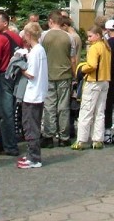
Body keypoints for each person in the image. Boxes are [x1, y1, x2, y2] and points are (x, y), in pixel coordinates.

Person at [0, 12, 23, 157]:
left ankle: (10, 146)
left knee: (5, 113)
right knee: (10, 110)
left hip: (3, 77)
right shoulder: (17, 38)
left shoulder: (0, 40)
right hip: (15, 76)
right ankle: (1, 142)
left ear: (5, 23)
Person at [71, 26, 111, 150]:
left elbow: (92, 65)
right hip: (105, 81)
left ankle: (81, 140)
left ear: (98, 35)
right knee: (99, 112)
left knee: (86, 111)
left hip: (93, 81)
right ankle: (98, 140)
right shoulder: (106, 47)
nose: (88, 39)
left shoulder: (95, 48)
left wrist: (82, 68)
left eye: (90, 36)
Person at [40, 11, 76, 148]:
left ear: (50, 21)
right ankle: (64, 137)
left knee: (49, 106)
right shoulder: (69, 37)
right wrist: (74, 74)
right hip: (64, 75)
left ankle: (48, 136)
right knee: (63, 107)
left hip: (48, 75)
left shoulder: (44, 36)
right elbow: (72, 59)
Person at [18, 22, 47, 168]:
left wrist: (20, 68)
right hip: (38, 93)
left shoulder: (36, 51)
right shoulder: (39, 50)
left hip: (33, 94)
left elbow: (31, 74)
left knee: (30, 126)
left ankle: (34, 158)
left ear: (29, 35)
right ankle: (31, 154)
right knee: (31, 125)